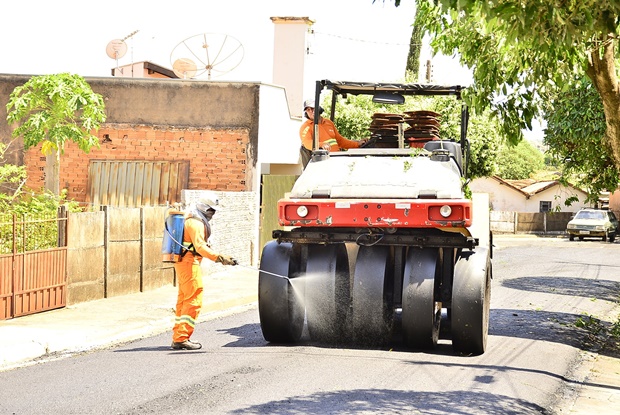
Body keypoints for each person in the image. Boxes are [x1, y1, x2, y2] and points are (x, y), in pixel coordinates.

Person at [171, 193, 238, 350]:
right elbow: (200, 247)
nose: (212, 214)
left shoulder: (193, 218)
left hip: (185, 262)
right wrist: (220, 258)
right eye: (211, 211)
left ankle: (179, 336)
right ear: (204, 208)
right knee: (194, 298)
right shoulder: (195, 223)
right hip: (189, 262)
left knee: (184, 299)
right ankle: (182, 338)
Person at [299, 100, 366, 154]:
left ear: (319, 109)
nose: (311, 111)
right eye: (308, 110)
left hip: (336, 156)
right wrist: (321, 144)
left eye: (313, 108)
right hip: (322, 159)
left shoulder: (329, 123)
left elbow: (340, 141)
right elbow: (307, 143)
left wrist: (357, 144)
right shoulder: (305, 127)